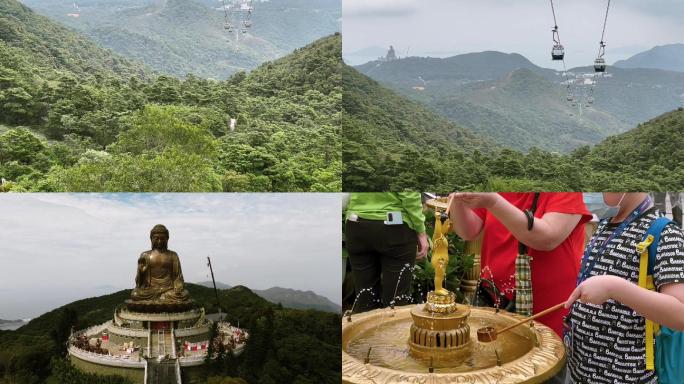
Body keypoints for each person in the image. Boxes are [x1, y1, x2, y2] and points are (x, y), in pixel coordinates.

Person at [563, 192, 684, 383]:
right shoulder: (604, 225)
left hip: (627, 377)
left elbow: (680, 314)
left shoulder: (665, 233)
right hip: (581, 371)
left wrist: (614, 287)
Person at [448, 192, 591, 336]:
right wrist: (458, 200)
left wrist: (493, 203)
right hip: (495, 302)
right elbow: (468, 231)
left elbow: (547, 238)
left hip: (547, 312)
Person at [345, 192, 428, 312]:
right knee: (395, 301)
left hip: (356, 225)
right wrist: (421, 231)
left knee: (364, 297)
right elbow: (409, 195)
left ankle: (365, 328)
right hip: (394, 228)